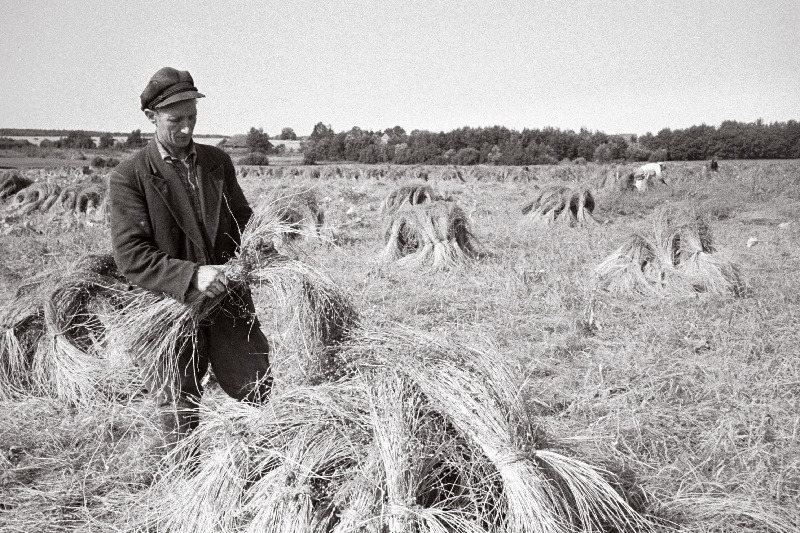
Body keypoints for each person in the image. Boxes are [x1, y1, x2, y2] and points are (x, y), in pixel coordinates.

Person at [109, 67, 271, 450]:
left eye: (192, 118)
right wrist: (193, 275)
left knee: (255, 386)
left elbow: (241, 220)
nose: (186, 129)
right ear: (151, 117)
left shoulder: (217, 164)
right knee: (177, 405)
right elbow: (132, 256)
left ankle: (264, 469)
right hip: (168, 307)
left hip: (228, 301)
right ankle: (187, 489)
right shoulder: (129, 176)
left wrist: (262, 243)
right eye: (175, 120)